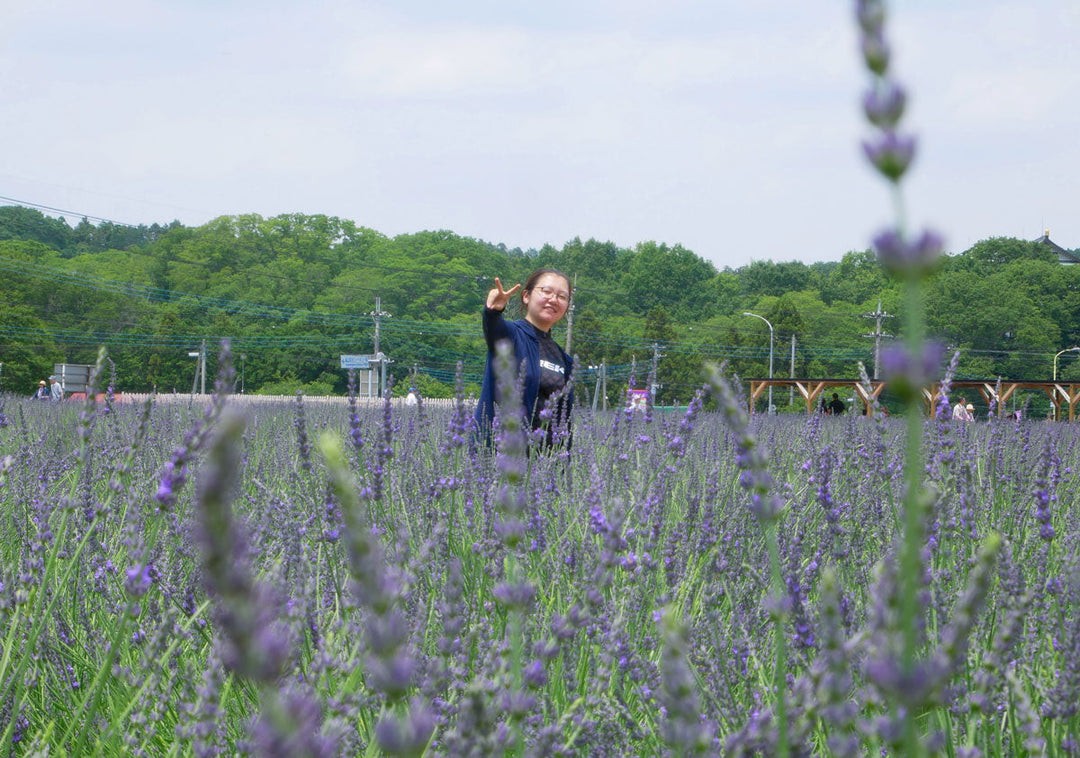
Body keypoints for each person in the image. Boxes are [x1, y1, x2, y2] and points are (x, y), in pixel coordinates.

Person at [474, 268, 574, 448]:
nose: (553, 299)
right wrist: (493, 312)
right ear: (526, 296)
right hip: (503, 458)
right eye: (546, 291)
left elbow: (564, 416)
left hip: (545, 464)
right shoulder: (510, 335)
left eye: (562, 296)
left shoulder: (563, 359)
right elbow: (494, 329)